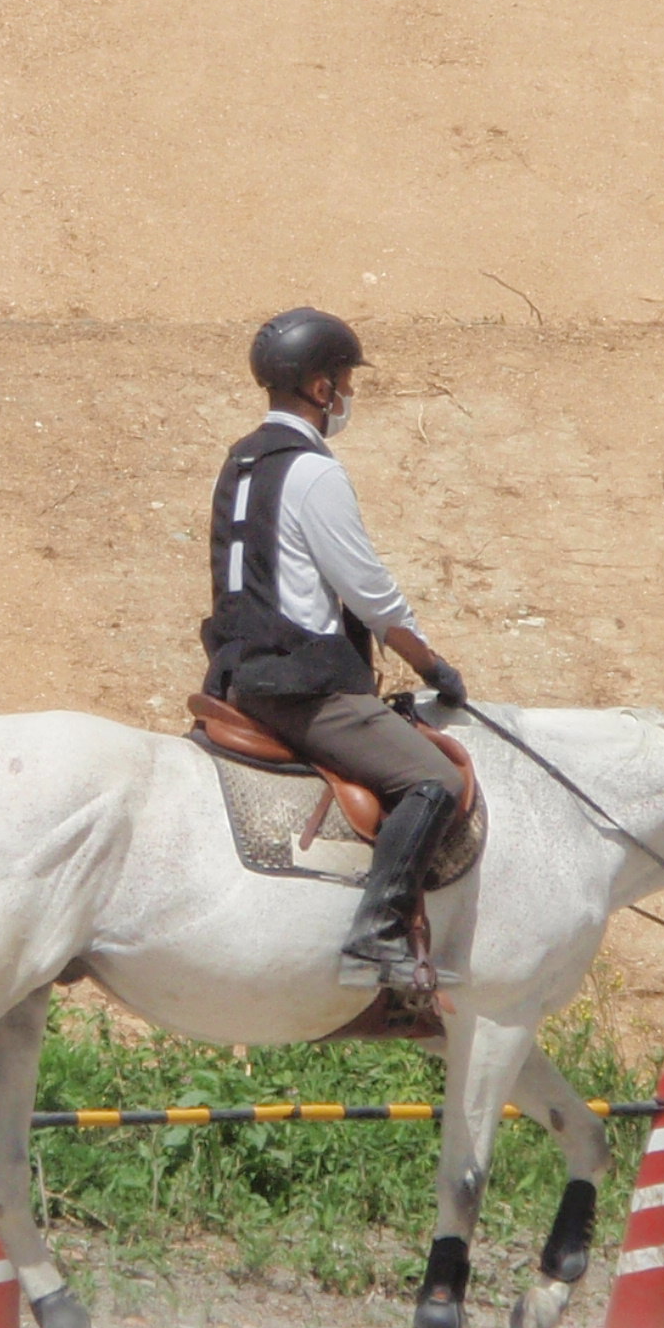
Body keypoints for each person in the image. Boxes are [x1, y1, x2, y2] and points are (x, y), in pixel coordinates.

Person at [200, 307, 470, 988]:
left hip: (234, 675)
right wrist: (430, 664)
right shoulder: (313, 473)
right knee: (435, 779)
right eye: (346, 382)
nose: (349, 394)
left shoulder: (242, 461)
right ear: (321, 389)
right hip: (301, 689)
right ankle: (375, 936)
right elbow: (369, 592)